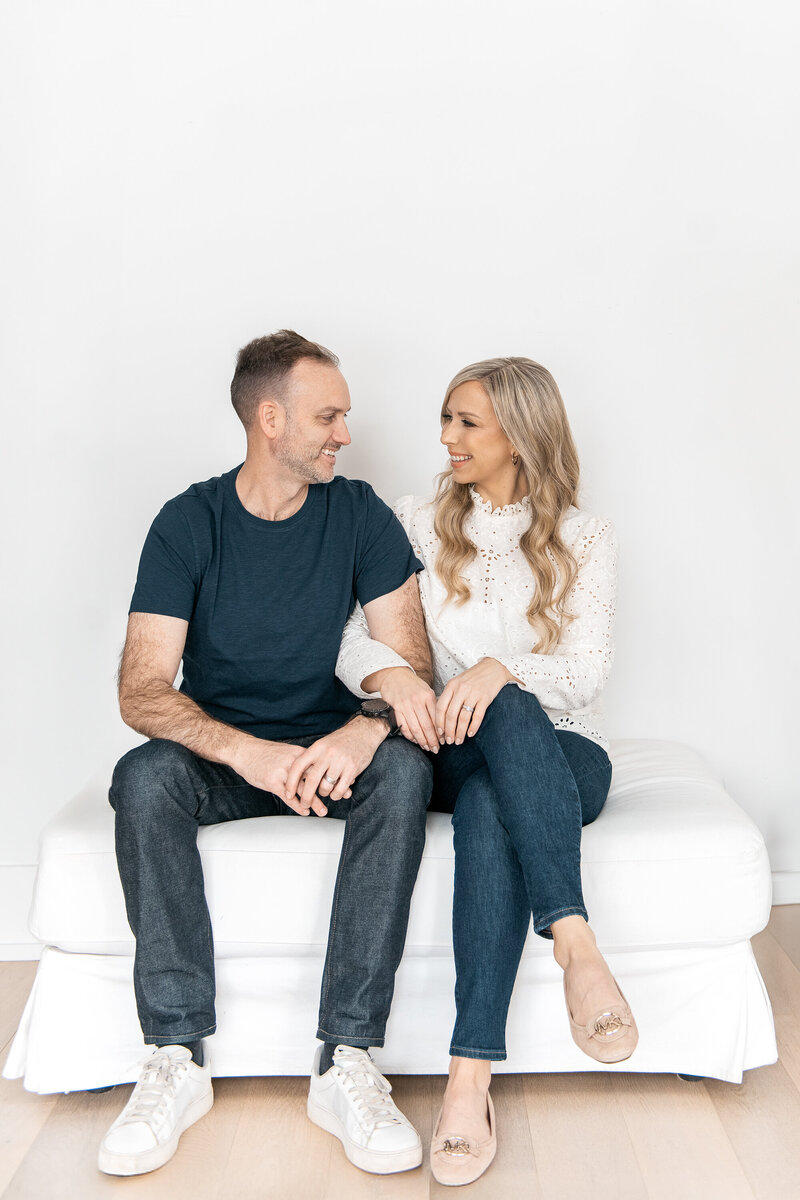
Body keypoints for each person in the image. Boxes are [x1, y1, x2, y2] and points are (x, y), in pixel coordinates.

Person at [99, 330, 435, 1179]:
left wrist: (362, 729)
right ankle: (175, 1056)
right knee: (143, 778)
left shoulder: (359, 514)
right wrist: (244, 753)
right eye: (329, 416)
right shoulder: (188, 522)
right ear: (270, 418)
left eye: (346, 417)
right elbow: (141, 689)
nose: (345, 434)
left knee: (404, 769)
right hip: (228, 759)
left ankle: (347, 1058)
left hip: (333, 753)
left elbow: (411, 665)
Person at [336, 356, 637, 1186]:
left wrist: (498, 671)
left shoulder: (586, 536)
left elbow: (587, 668)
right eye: (446, 418)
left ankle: (469, 1080)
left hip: (563, 751)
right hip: (441, 746)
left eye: (468, 422)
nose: (446, 438)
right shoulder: (413, 523)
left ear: (521, 431)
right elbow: (351, 637)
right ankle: (574, 940)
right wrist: (398, 678)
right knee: (481, 760)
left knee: (490, 788)